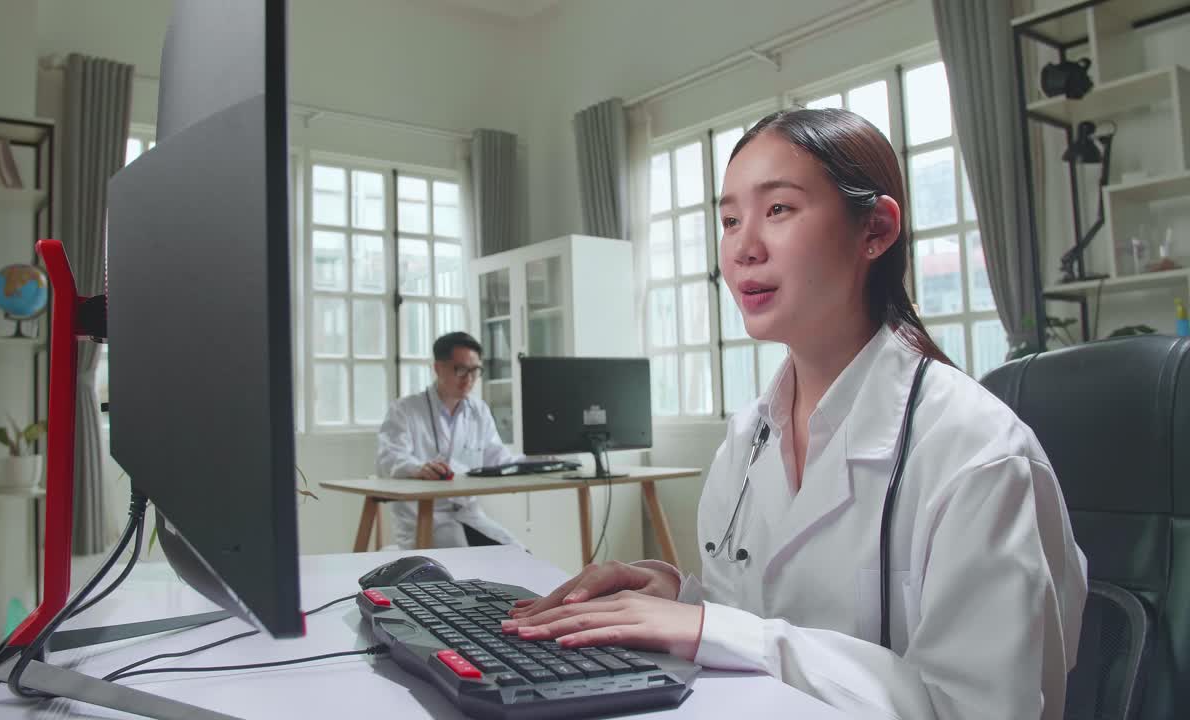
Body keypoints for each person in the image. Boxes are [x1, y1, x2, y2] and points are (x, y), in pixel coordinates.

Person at [501, 108, 1087, 720]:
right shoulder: (749, 435)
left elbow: (974, 709)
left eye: (778, 209)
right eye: (729, 220)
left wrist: (707, 628)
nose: (743, 248)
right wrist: (679, 597)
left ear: (876, 230)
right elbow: (762, 621)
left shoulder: (976, 453)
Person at [376, 331, 522, 549]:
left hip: (468, 515)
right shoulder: (405, 410)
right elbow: (389, 458)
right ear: (438, 368)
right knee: (462, 561)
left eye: (475, 371)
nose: (469, 379)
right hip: (424, 517)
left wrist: (543, 460)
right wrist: (418, 469)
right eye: (461, 370)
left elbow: (499, 458)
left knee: (520, 555)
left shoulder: (478, 411)